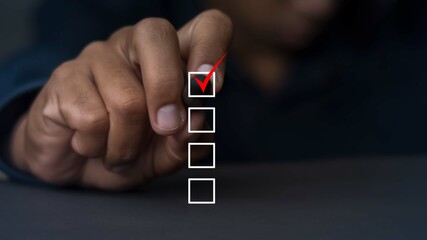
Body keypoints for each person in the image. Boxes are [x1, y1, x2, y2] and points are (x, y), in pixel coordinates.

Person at [0, 0, 426, 190]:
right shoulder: (103, 10)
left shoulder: (401, 28)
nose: (319, 6)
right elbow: (45, 68)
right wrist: (28, 137)